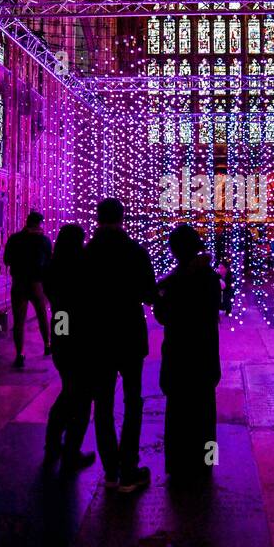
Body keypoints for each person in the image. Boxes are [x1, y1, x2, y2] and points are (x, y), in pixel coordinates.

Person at [84, 198, 157, 493]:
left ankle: (111, 471)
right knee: (132, 402)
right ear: (122, 218)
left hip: (98, 335)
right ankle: (128, 470)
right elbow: (150, 295)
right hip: (128, 334)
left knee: (101, 403)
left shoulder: (87, 254)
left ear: (98, 218)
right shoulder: (135, 251)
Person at [154, 225, 222, 482]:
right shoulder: (210, 277)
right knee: (206, 415)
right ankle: (207, 464)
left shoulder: (174, 282)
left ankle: (177, 463)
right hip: (204, 353)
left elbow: (162, 315)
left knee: (177, 413)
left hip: (179, 354)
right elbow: (215, 309)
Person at [42, 224, 95, 470]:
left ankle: (53, 446)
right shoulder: (84, 265)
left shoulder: (52, 267)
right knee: (81, 397)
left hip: (61, 334)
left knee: (69, 390)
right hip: (81, 338)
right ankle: (70, 451)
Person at [3, 211, 53, 368]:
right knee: (43, 315)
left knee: (19, 320)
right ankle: (47, 345)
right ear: (40, 223)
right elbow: (48, 262)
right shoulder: (44, 241)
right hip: (37, 283)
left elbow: (6, 260)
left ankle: (20, 353)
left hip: (19, 282)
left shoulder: (15, 239)